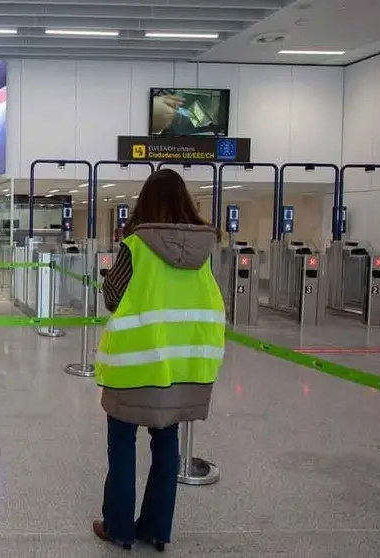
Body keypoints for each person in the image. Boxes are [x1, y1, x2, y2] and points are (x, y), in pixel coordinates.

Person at [92, 169, 226, 552]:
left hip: (135, 365)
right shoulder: (204, 251)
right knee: (167, 445)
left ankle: (119, 528)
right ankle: (155, 528)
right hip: (180, 367)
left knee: (122, 444)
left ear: (146, 202)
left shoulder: (137, 244)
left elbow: (113, 295)